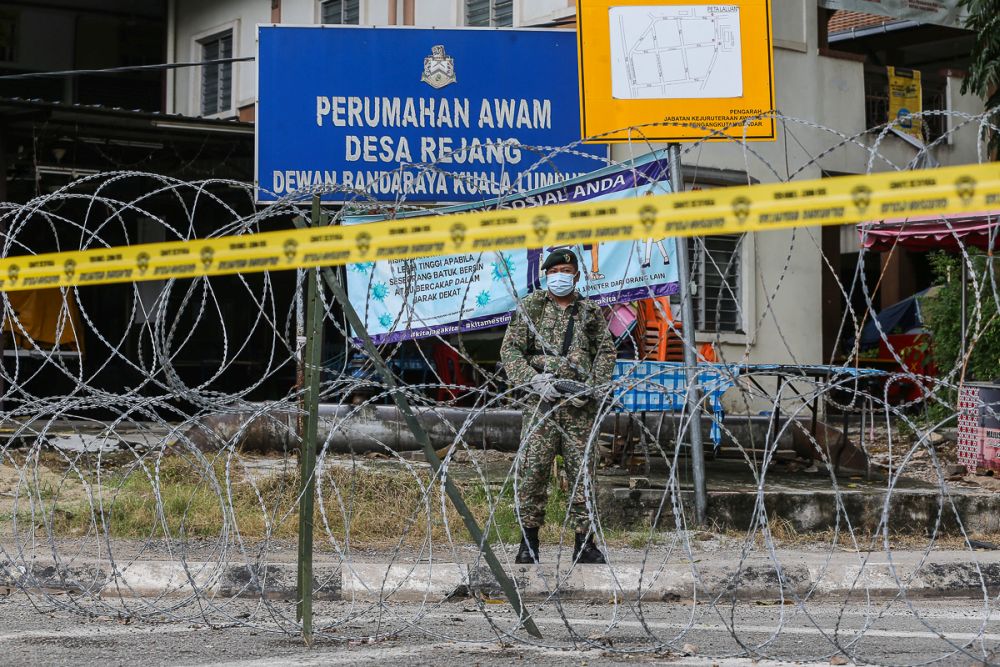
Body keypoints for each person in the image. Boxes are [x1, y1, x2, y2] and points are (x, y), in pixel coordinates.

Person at [500, 248, 616, 564]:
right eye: (554, 272)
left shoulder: (589, 312)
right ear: (546, 276)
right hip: (542, 405)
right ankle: (528, 542)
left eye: (566, 270)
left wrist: (592, 386)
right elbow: (510, 350)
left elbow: (606, 353)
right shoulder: (532, 307)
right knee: (533, 472)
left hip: (580, 408)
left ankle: (584, 544)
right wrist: (533, 380)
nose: (560, 276)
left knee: (582, 474)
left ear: (576, 276)